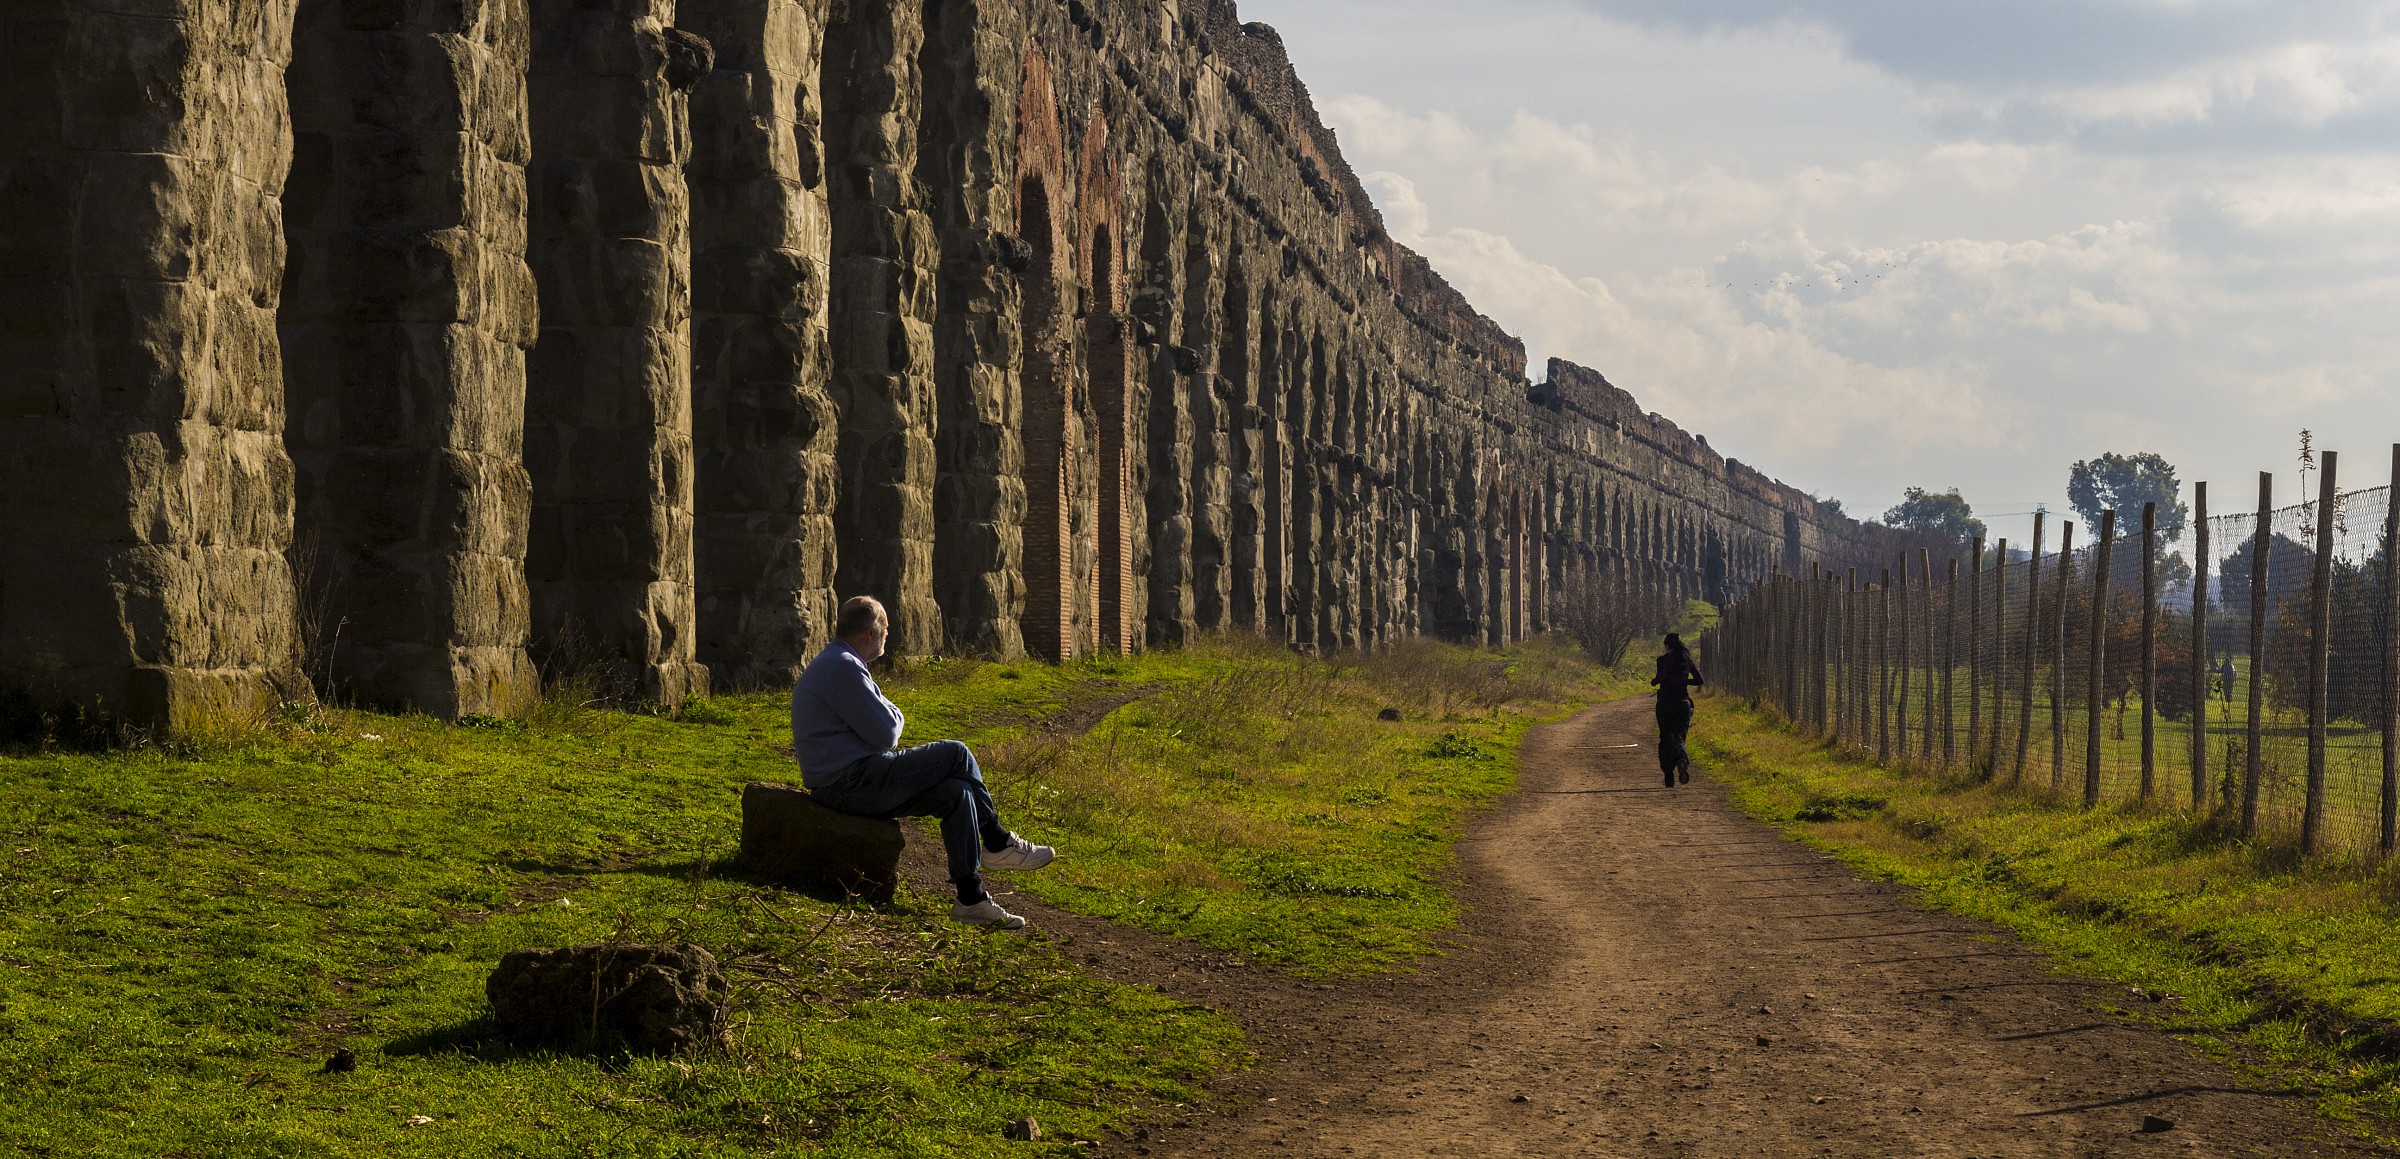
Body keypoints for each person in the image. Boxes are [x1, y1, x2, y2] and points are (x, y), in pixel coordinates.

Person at [791, 596, 1055, 929]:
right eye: (886, 628)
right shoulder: (842, 666)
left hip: (855, 777)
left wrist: (890, 718)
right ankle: (997, 841)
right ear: (871, 631)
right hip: (850, 782)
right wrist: (892, 718)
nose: (889, 634)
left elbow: (885, 722)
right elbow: (887, 731)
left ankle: (970, 899)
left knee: (956, 793)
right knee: (956, 753)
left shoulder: (844, 663)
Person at [1651, 633, 1706, 787]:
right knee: (1679, 736)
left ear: (1667, 645)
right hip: (1682, 704)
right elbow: (1699, 680)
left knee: (1665, 737)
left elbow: (1659, 678)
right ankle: (1682, 759)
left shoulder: (1663, 660)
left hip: (1665, 703)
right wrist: (1683, 680)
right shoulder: (1686, 659)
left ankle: (1668, 773)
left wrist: (1655, 681)